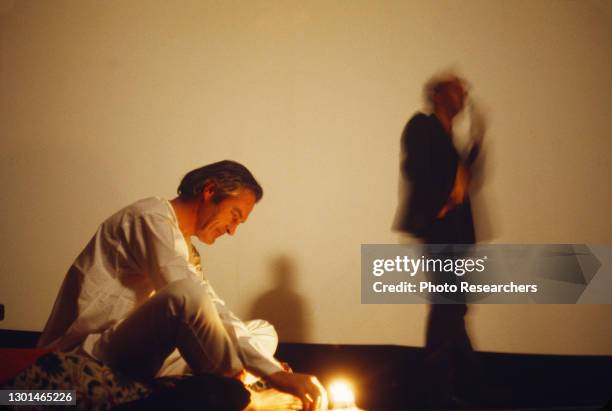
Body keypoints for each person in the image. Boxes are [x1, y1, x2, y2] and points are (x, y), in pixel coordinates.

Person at [38, 160, 324, 411]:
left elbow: (215, 311)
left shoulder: (186, 248)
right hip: (95, 349)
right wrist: (275, 375)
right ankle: (243, 396)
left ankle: (237, 376)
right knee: (186, 294)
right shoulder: (148, 218)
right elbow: (185, 294)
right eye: (234, 216)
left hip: (144, 354)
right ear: (210, 190)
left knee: (263, 331)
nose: (232, 230)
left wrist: (268, 367)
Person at [395, 74, 484, 406]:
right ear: (438, 94)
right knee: (449, 306)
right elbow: (417, 169)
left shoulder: (448, 137)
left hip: (456, 235)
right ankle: (440, 387)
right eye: (458, 88)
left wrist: (474, 148)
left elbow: (461, 180)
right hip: (440, 230)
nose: (465, 93)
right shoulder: (422, 126)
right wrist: (444, 204)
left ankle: (463, 382)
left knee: (453, 307)